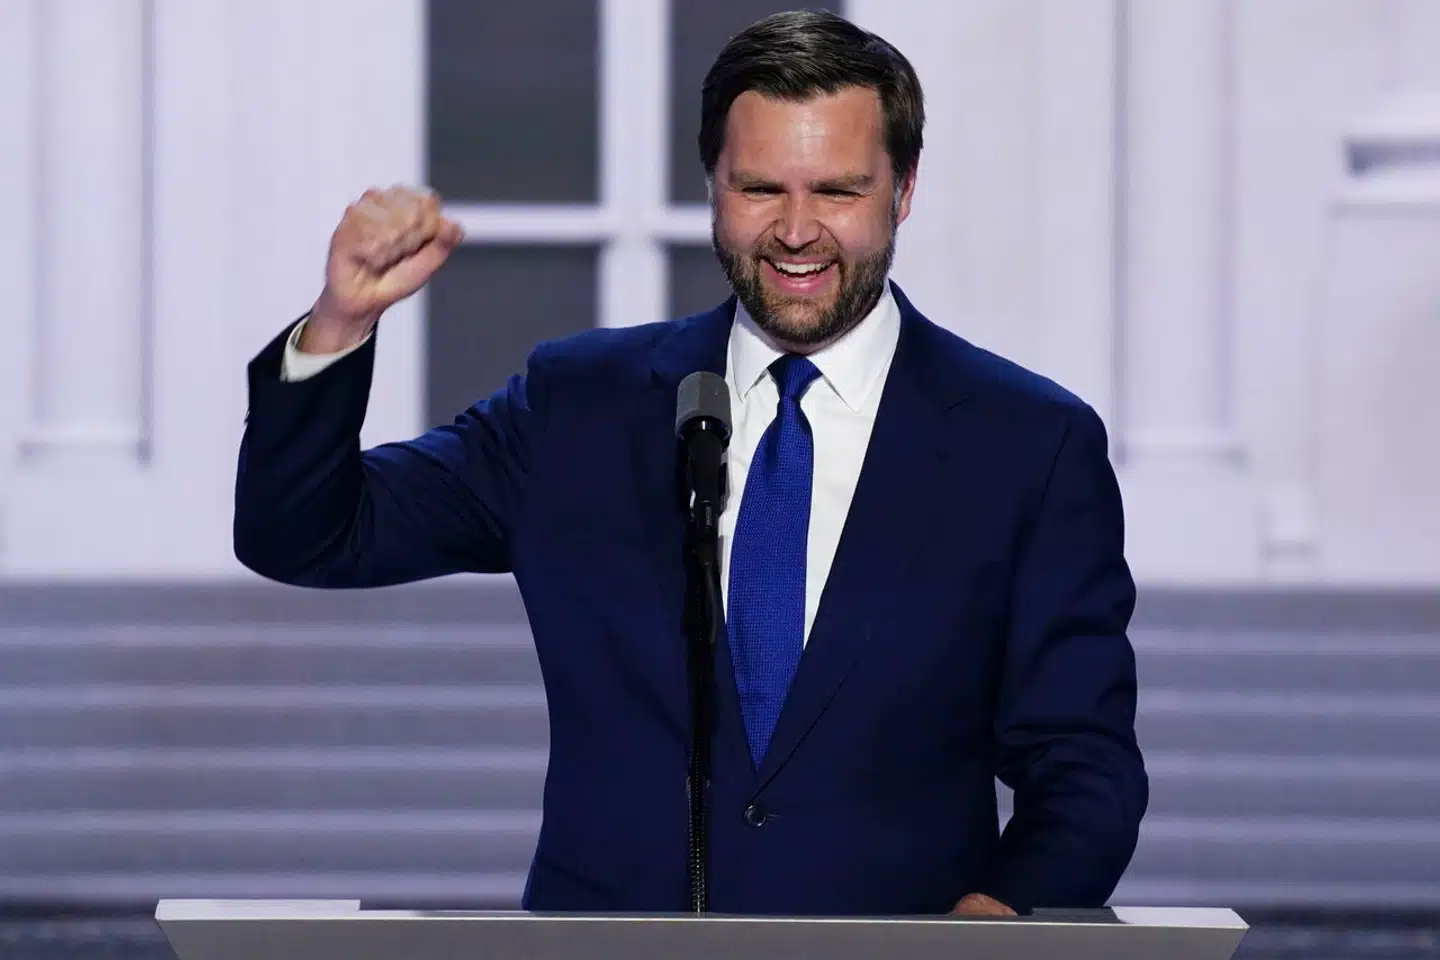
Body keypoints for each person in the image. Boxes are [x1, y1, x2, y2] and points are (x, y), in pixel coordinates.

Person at [234, 9, 1146, 917]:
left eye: (837, 191)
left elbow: (1083, 768)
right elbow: (308, 535)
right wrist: (340, 324)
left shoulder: (1027, 445)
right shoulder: (579, 406)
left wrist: (994, 920)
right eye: (759, 188)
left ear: (902, 191)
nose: (796, 230)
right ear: (712, 184)